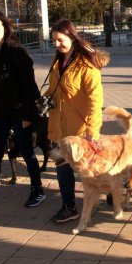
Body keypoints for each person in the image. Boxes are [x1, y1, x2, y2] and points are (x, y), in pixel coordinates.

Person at [0, 10, 45, 215]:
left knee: (26, 151)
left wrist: (29, 116)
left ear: (5, 27)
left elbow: (30, 86)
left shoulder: (18, 52)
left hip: (20, 112)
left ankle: (37, 188)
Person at [45, 19, 109, 223]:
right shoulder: (58, 61)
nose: (56, 45)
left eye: (60, 40)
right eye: (53, 40)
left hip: (79, 128)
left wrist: (93, 130)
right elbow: (55, 89)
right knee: (61, 164)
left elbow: (95, 100)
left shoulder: (86, 64)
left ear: (72, 37)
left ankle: (110, 191)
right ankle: (69, 206)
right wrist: (45, 99)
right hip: (59, 124)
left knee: (92, 168)